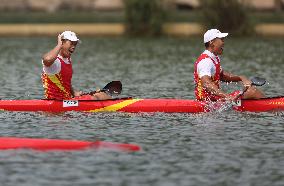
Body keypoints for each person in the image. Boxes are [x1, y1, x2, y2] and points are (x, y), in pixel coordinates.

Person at [194, 29, 265, 101]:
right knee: (252, 92)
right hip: (207, 103)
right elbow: (206, 83)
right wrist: (226, 96)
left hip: (216, 100)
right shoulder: (206, 61)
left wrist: (241, 78)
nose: (223, 43)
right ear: (212, 43)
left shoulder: (214, 57)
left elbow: (222, 76)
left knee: (251, 90)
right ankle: (271, 106)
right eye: (221, 39)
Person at [41, 31, 111, 100]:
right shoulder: (55, 61)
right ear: (62, 42)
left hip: (66, 100)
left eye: (75, 44)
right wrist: (59, 45)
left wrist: (74, 93)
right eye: (71, 43)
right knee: (102, 96)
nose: (73, 47)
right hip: (55, 101)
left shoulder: (68, 59)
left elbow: (65, 82)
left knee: (102, 94)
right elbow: (47, 59)